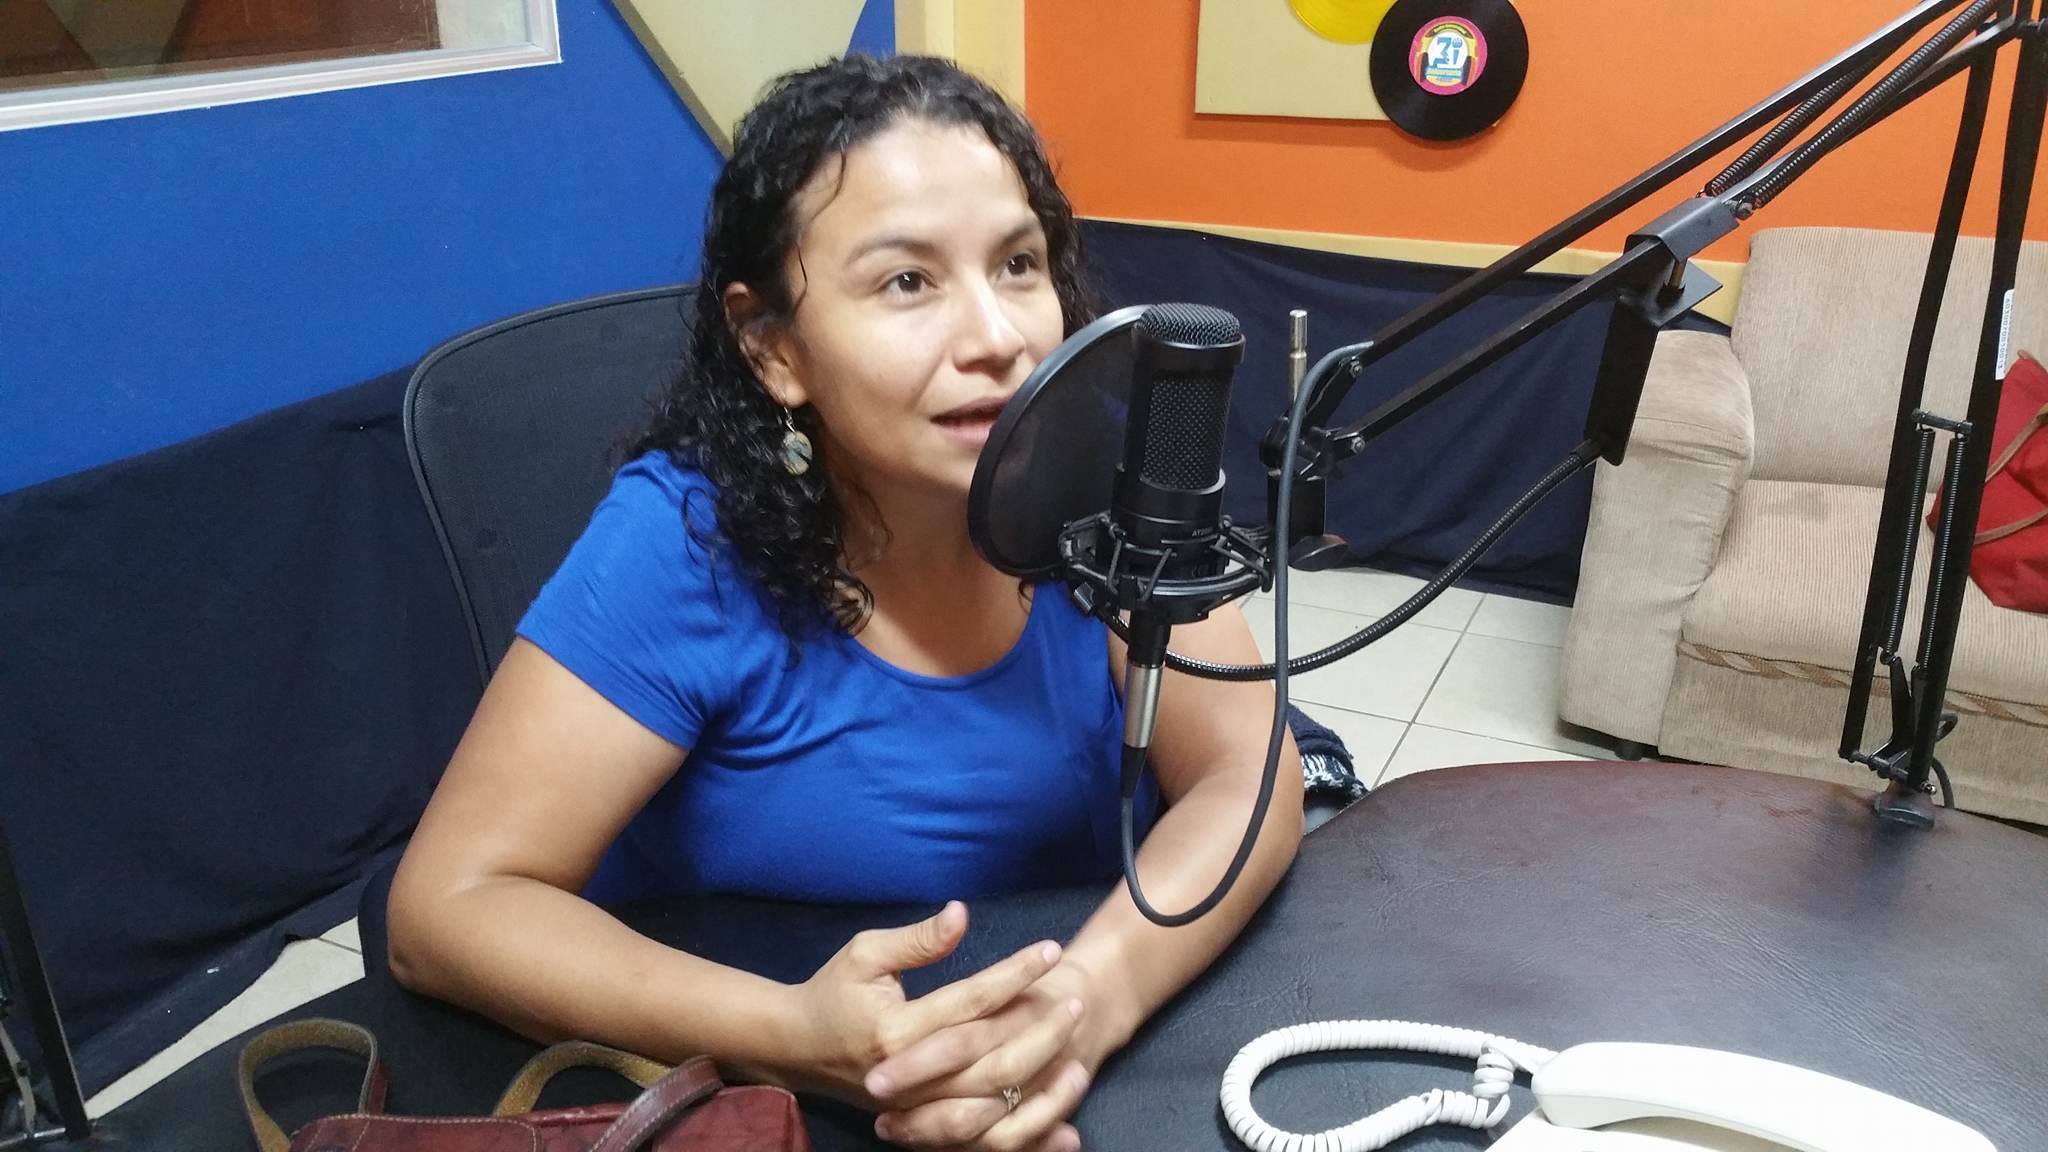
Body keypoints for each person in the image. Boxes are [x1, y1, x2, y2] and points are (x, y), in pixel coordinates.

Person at [385, 53, 1302, 1152]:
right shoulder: (685, 539)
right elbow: (448, 909)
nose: (999, 338)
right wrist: (787, 1035)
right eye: (906, 281)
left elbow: (1249, 774)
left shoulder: (1102, 476)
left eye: (1018, 263)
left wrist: (1086, 1003)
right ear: (774, 350)